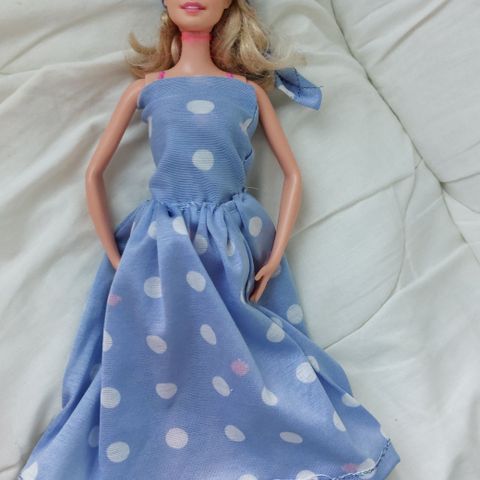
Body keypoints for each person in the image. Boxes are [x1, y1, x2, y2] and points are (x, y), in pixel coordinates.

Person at [18, 1, 400, 479]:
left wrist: (276, 251)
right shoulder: (147, 89)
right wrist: (114, 252)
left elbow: (293, 174)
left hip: (231, 240)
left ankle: (261, 444)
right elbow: (94, 173)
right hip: (162, 243)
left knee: (250, 348)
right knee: (156, 350)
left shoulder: (247, 92)